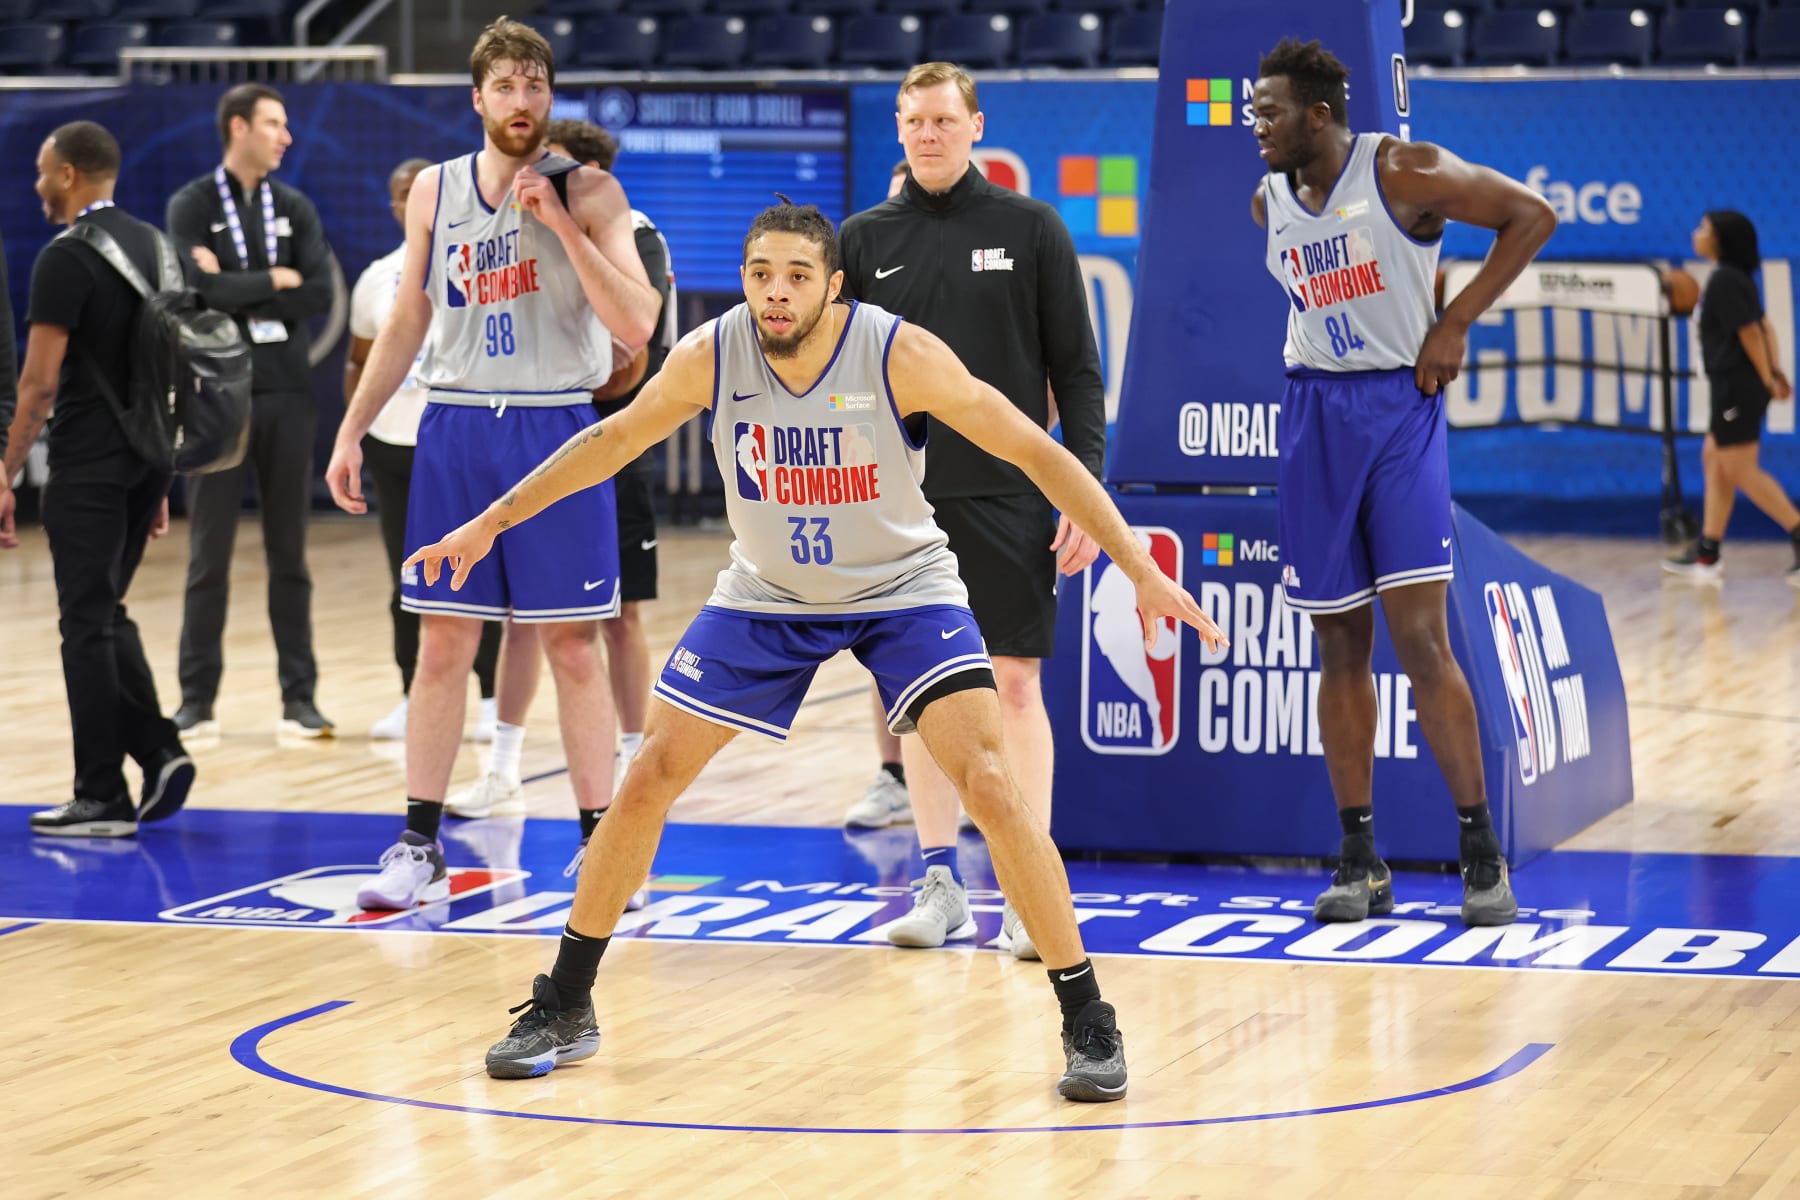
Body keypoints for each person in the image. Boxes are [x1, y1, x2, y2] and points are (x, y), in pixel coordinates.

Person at [404, 198, 1228, 1098]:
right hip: (768, 593)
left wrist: (1137, 563)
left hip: (902, 590)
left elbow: (1036, 448)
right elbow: (609, 441)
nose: (776, 294)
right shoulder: (712, 353)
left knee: (989, 779)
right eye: (761, 275)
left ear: (834, 286)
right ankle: (566, 1000)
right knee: (648, 775)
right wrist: (486, 526)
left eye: (797, 276)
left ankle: (1087, 1018)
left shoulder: (896, 350)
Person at [323, 17, 660, 910]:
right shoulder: (434, 190)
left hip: (556, 429)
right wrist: (353, 429)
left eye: (535, 86)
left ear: (550, 99)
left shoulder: (588, 190)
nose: (522, 102)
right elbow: (405, 323)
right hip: (457, 429)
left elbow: (638, 324)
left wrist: (562, 226)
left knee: (573, 649)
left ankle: (603, 848)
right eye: (505, 87)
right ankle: (418, 843)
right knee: (442, 643)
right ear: (477, 99)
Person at [1249, 38, 1556, 925]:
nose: (1255, 127)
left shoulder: (1404, 171)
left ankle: (1480, 853)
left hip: (1398, 413)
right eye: (1250, 114)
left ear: (1318, 113)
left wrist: (1454, 320)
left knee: (1421, 642)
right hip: (1312, 417)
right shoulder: (1267, 202)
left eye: (1268, 112)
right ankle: (1359, 858)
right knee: (1337, 648)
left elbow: (1531, 215)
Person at [837, 63, 1108, 963]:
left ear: (975, 125)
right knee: (916, 696)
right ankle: (939, 882)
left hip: (1010, 498)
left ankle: (1030, 895)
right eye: (912, 120)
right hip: (897, 504)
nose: (927, 134)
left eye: (943, 119)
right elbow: (836, 377)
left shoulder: (1032, 228)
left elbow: (1077, 374)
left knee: (1015, 684)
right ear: (900, 130)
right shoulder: (863, 239)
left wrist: (1084, 492)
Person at [444, 116, 675, 819]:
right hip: (534, 448)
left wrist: (561, 383)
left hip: (609, 441)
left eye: (557, 169)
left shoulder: (632, 234)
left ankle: (634, 763)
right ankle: (503, 768)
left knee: (619, 616)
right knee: (521, 616)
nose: (538, 182)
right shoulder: (518, 232)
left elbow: (627, 365)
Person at [2, 121, 195, 836]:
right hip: (149, 457)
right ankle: (160, 747)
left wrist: (7, 469)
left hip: (87, 463)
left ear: (72, 175)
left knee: (84, 624)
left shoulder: (66, 258)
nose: (37, 184)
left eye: (43, 171)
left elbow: (39, 384)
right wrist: (162, 475)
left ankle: (101, 794)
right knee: (106, 610)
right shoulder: (163, 251)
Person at [168, 83, 337, 739]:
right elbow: (195, 288)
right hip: (216, 400)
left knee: (289, 553)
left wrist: (237, 290)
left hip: (289, 397)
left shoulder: (293, 205)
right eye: (273, 123)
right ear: (238, 127)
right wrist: (274, 280)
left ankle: (300, 699)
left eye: (287, 124)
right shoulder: (192, 203)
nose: (285, 136)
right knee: (208, 555)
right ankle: (195, 702)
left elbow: (319, 290)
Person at [347, 157, 503, 743]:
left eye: (424, 190)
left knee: (472, 572)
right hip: (395, 442)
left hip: (462, 441)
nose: (415, 199)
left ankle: (487, 698)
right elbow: (359, 363)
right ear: (395, 207)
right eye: (403, 193)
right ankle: (413, 697)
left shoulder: (481, 261)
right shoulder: (377, 277)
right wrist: (356, 434)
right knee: (404, 578)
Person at [1662, 210, 1800, 584]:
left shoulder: (1725, 280)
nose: (1696, 233)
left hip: (1738, 387)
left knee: (1740, 468)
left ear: (1721, 239)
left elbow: (1751, 334)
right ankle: (1709, 552)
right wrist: (1774, 372)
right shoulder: (1732, 278)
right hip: (1733, 387)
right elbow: (1764, 325)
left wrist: (1769, 377)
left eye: (1704, 228)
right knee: (1714, 458)